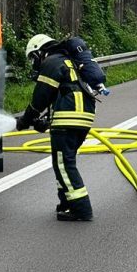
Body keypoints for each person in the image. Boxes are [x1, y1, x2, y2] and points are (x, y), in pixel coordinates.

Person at [16, 33, 107, 221]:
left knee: (64, 164)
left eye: (34, 58)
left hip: (69, 117)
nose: (34, 63)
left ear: (40, 52)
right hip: (83, 115)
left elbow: (40, 98)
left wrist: (25, 120)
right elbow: (62, 93)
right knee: (62, 162)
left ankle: (81, 209)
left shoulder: (51, 62)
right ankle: (66, 203)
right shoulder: (67, 61)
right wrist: (43, 122)